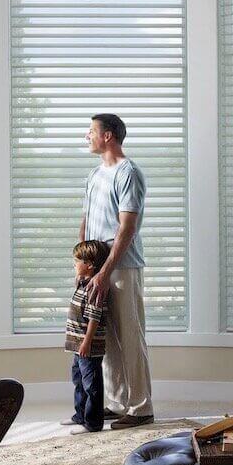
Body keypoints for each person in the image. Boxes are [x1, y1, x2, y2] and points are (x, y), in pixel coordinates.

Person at [80, 113, 155, 428]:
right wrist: (82, 263)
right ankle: (116, 401)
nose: (87, 136)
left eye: (91, 131)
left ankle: (140, 408)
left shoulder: (129, 173)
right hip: (96, 266)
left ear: (108, 135)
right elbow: (86, 219)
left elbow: (127, 228)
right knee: (106, 337)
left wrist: (106, 270)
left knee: (129, 336)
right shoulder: (95, 175)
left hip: (122, 266)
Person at [65, 240, 111, 434]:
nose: (74, 264)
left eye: (77, 261)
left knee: (91, 385)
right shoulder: (83, 284)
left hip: (87, 346)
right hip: (78, 345)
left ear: (90, 264)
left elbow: (94, 317)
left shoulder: (94, 289)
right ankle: (80, 415)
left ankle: (93, 423)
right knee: (79, 380)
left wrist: (87, 342)